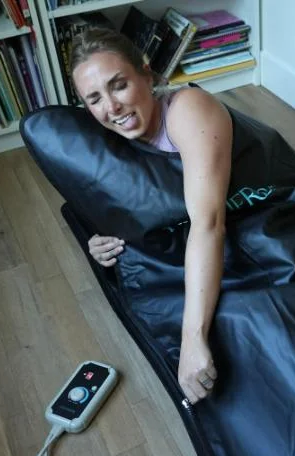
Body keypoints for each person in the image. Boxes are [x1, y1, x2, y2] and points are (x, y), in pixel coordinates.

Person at [68, 28, 232, 406]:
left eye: (119, 85)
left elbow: (208, 223)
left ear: (147, 73)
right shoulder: (111, 139)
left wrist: (193, 340)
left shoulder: (187, 110)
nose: (112, 108)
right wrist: (101, 239)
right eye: (95, 98)